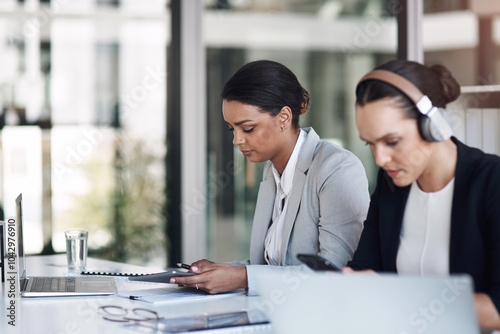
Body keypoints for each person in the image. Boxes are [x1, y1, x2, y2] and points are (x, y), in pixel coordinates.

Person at [171, 59, 370, 295]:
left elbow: (333, 272)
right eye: (231, 129)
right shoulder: (271, 171)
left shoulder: (336, 168)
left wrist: (242, 277)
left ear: (284, 118)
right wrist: (220, 272)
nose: (236, 140)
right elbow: (272, 267)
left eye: (248, 128)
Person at [343, 59, 500, 329]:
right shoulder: (391, 183)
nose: (380, 158)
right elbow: (364, 267)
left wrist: (395, 296)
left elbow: (497, 310)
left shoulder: (491, 181)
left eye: (392, 141)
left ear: (433, 126)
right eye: (370, 143)